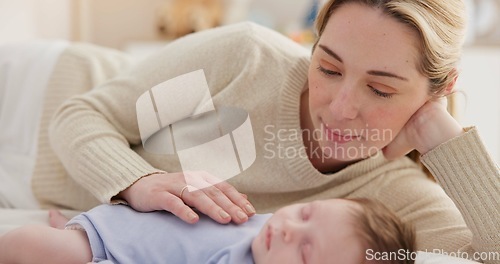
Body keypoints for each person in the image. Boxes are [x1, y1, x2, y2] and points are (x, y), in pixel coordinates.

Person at [4, 0, 499, 263]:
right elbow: (82, 116)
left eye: (382, 90)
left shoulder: (397, 200)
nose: (341, 108)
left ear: (439, 88)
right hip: (32, 99)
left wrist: (444, 137)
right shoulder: (249, 60)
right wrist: (137, 182)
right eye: (328, 68)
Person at [0, 198, 416, 264]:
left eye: (306, 254)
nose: (288, 229)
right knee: (41, 242)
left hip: (119, 248)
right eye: (305, 213)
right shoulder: (266, 229)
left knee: (32, 244)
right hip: (122, 221)